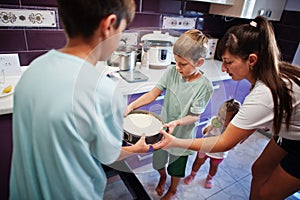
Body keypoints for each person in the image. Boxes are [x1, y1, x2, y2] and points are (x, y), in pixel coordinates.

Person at [9, 0, 152, 199]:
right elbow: (109, 156)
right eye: (122, 30)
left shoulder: (33, 69)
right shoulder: (103, 92)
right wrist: (136, 148)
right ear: (109, 25)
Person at [153, 16, 300, 200]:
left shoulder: (264, 95)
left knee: (267, 195)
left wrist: (175, 142)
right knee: (258, 169)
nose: (223, 68)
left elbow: (223, 143)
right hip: (289, 135)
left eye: (228, 62)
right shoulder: (273, 74)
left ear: (252, 60)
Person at [125, 29, 214, 200]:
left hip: (182, 137)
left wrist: (176, 123)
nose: (178, 67)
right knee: (158, 162)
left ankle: (172, 190)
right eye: (176, 62)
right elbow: (153, 94)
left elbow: (195, 116)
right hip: (162, 132)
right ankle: (162, 176)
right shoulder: (171, 72)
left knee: (176, 168)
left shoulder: (205, 86)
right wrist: (132, 105)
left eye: (183, 64)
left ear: (200, 62)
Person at [184, 98, 240, 189]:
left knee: (214, 166)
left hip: (219, 154)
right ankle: (192, 175)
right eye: (219, 115)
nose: (219, 119)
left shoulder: (233, 130)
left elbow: (232, 145)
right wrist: (211, 126)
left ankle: (209, 178)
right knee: (198, 162)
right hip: (205, 149)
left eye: (223, 118)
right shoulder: (214, 120)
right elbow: (204, 131)